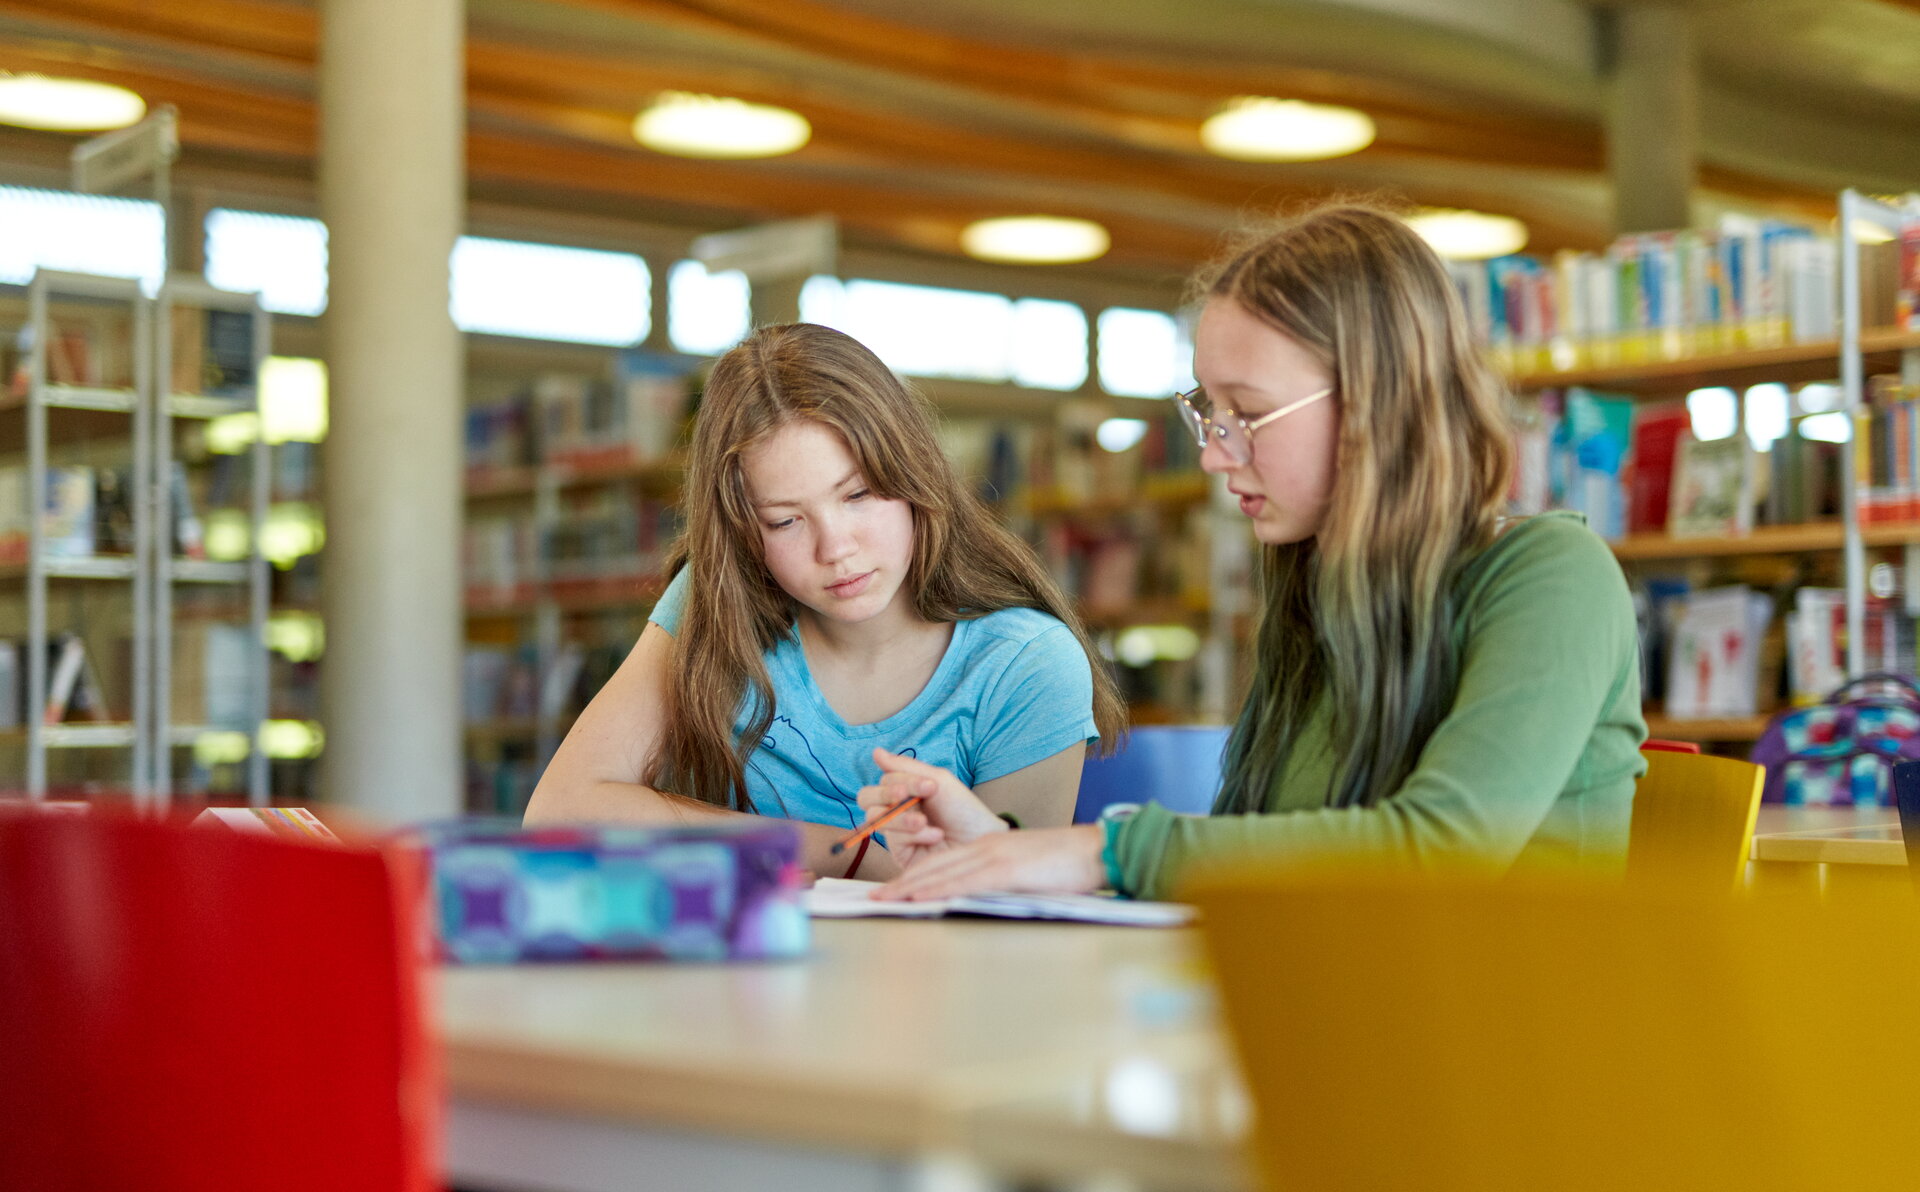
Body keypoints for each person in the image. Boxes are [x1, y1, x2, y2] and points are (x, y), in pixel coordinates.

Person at [864, 201, 1648, 902]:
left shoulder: (1554, 577)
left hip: (1507, 1043)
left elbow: (1443, 849)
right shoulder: (1316, 589)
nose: (1214, 453)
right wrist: (1007, 852)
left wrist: (1100, 850)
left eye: (1249, 413)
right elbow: (1260, 854)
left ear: (1376, 399)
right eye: (1210, 412)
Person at [526, 322, 1126, 881]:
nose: (836, 548)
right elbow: (560, 811)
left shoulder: (1026, 662)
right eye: (786, 521)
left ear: (916, 473)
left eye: (859, 494)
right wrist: (855, 853)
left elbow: (1015, 914)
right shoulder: (715, 603)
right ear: (741, 535)